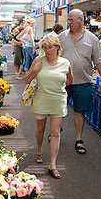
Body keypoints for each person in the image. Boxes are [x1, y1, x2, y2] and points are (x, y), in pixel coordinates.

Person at [58, 9, 101, 154]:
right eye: (69, 20)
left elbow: (99, 60)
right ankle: (56, 132)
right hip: (62, 81)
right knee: (58, 111)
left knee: (79, 112)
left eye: (72, 20)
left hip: (83, 82)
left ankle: (79, 140)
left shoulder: (92, 39)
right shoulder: (62, 36)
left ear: (80, 20)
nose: (69, 23)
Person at [25, 35, 73, 179]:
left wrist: (58, 87)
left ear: (57, 47)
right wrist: (34, 71)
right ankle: (39, 149)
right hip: (41, 99)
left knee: (55, 133)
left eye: (50, 47)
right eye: (45, 47)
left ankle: (53, 164)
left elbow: (70, 80)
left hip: (58, 100)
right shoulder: (39, 61)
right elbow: (26, 80)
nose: (47, 50)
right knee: (40, 130)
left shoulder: (65, 63)